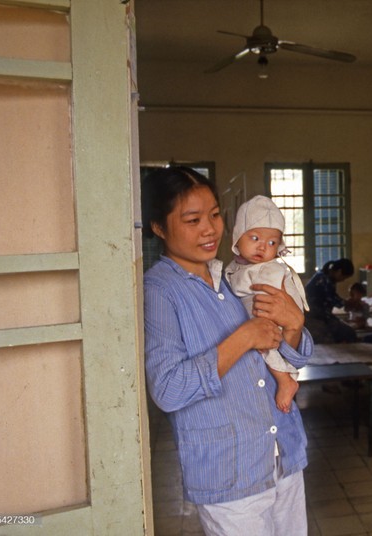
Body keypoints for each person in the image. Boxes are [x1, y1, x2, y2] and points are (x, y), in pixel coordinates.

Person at [142, 167, 313, 535]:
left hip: (282, 454)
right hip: (230, 473)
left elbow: (294, 356)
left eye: (215, 215)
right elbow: (168, 389)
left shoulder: (236, 274)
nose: (209, 229)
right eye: (192, 220)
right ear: (158, 227)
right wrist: (244, 337)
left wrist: (295, 325)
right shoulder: (160, 291)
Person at [225, 195, 309, 413]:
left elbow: (251, 292)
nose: (263, 247)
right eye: (255, 238)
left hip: (271, 319)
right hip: (264, 316)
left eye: (272, 243)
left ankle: (285, 379)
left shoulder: (270, 268)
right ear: (237, 238)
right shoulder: (238, 266)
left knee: (265, 345)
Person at [304, 258, 357, 343]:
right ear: (339, 272)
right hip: (312, 317)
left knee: (349, 333)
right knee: (328, 341)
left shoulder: (328, 277)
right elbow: (332, 298)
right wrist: (348, 303)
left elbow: (332, 298)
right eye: (344, 277)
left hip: (324, 316)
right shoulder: (323, 278)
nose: (343, 280)